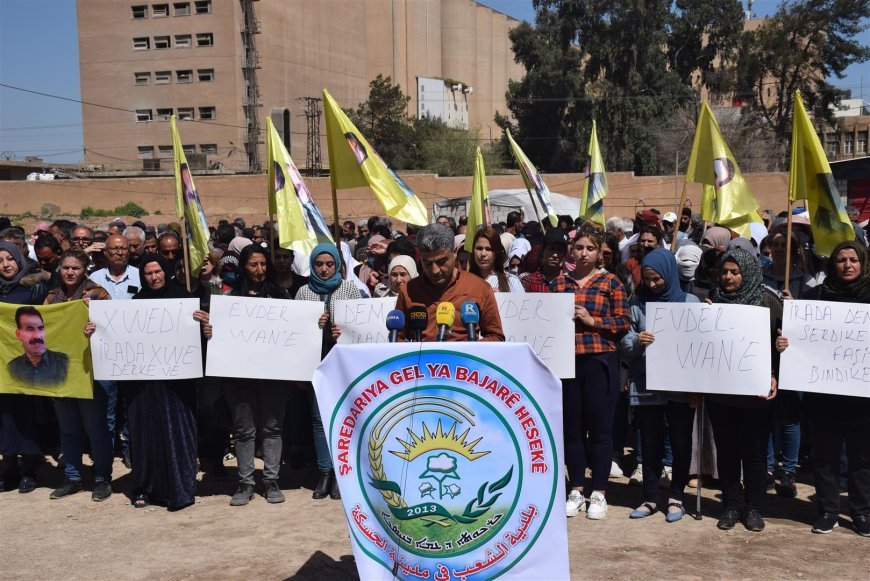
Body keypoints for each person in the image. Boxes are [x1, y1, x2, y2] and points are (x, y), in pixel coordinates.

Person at [777, 241, 870, 536]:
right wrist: (787, 340)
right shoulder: (816, 296)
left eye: (853, 259)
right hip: (824, 395)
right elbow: (800, 340)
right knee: (826, 456)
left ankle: (861, 512)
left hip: (862, 397)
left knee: (862, 458)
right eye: (841, 260)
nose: (847, 265)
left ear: (862, 263)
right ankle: (828, 510)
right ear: (833, 264)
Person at [551, 227, 630, 520]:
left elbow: (623, 322)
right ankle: (576, 489)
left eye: (590, 248)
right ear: (572, 250)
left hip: (599, 361)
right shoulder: (558, 284)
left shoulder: (611, 283)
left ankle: (599, 492)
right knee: (572, 429)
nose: (583, 253)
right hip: (566, 363)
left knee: (599, 430)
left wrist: (592, 320)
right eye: (579, 247)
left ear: (599, 254)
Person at [123, 254, 207, 510]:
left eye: (158, 271)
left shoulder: (185, 301)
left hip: (177, 384)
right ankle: (144, 488)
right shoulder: (134, 305)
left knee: (177, 434)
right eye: (148, 273)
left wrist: (204, 327)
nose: (154, 277)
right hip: (144, 385)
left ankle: (179, 490)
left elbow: (199, 344)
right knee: (146, 434)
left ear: (166, 272)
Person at [621, 249, 699, 522]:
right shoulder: (637, 303)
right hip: (647, 384)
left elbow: (699, 347)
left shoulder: (691, 302)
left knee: (679, 442)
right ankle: (651, 497)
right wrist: (636, 341)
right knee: (650, 444)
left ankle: (677, 496)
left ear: (668, 274)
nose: (653, 284)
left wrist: (697, 388)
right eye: (648, 279)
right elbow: (624, 343)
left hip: (680, 387)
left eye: (657, 279)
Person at [708, 247, 781, 532]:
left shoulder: (768, 302)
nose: (728, 277)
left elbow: (786, 343)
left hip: (756, 393)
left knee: (754, 453)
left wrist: (775, 373)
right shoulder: (713, 302)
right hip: (722, 393)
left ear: (747, 272)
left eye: (735, 272)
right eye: (724, 272)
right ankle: (731, 505)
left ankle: (753, 508)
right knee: (726, 452)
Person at [219, 245, 293, 506]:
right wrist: (210, 328)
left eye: (263, 264)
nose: (259, 270)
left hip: (273, 376)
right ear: (244, 267)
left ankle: (271, 480)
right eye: (253, 265)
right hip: (238, 377)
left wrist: (312, 324)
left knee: (272, 428)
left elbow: (294, 330)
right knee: (243, 430)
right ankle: (246, 482)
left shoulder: (280, 295)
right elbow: (220, 332)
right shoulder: (228, 298)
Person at [45, 248, 114, 501]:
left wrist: (95, 322)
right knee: (68, 428)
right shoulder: (51, 297)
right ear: (59, 269)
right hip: (62, 372)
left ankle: (102, 479)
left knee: (96, 428)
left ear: (85, 269)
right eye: (66, 268)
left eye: (75, 268)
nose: (70, 272)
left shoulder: (98, 294)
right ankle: (72, 477)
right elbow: (45, 332)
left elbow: (112, 329)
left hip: (92, 371)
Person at [296, 243, 361, 500]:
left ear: (338, 265)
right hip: (315, 364)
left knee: (343, 418)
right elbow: (296, 333)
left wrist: (341, 331)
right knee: (318, 419)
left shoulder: (348, 289)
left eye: (329, 264)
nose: (324, 269)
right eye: (319, 264)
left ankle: (341, 475)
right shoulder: (303, 292)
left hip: (342, 365)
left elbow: (359, 327)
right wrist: (313, 326)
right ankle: (325, 472)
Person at [394, 223, 504, 342]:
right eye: (427, 263)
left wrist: (470, 350)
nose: (435, 270)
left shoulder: (480, 288)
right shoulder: (408, 291)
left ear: (454, 252)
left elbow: (495, 336)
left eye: (441, 261)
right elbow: (398, 338)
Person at [0, 241, 50, 493]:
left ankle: (29, 469)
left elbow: (51, 318)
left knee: (27, 416)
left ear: (19, 259)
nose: (5, 265)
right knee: (5, 417)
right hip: (2, 367)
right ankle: (9, 467)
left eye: (9, 259)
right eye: (0, 261)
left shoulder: (34, 289)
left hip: (29, 365)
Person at [7, 306, 69, 387]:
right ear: (18, 334)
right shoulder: (11, 368)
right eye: (30, 329)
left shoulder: (64, 363)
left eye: (40, 328)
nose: (37, 336)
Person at [469, 227, 525, 293]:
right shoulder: (464, 282)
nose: (483, 254)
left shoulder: (512, 282)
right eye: (479, 248)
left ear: (497, 252)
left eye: (488, 249)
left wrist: (502, 298)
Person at [89, 234, 141, 301]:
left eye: (124, 249)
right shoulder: (95, 278)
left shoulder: (139, 275)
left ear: (129, 251)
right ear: (105, 252)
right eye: (114, 249)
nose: (119, 253)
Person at [521, 228, 567, 293]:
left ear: (564, 254)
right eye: (551, 249)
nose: (555, 255)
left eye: (560, 251)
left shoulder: (571, 283)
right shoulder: (528, 281)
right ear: (543, 251)